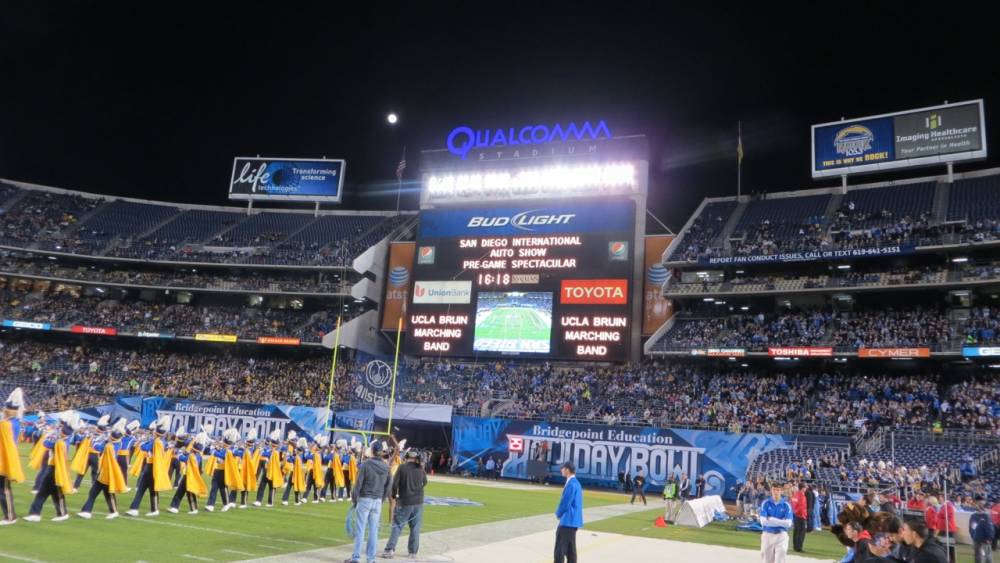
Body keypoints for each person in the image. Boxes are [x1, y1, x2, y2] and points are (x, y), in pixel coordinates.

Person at [347, 440, 391, 563]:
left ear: (372, 451)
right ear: (381, 452)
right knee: (373, 531)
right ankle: (371, 559)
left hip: (365, 499)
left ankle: (356, 558)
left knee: (360, 530)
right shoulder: (386, 467)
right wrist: (381, 499)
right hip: (377, 500)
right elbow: (388, 486)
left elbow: (358, 483)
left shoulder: (366, 464)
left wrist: (355, 500)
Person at [383, 449, 427, 559]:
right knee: (415, 528)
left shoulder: (402, 467)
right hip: (418, 502)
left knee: (397, 526)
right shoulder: (420, 468)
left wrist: (394, 495)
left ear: (407, 457)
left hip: (404, 501)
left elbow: (394, 484)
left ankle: (389, 550)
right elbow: (425, 482)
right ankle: (413, 552)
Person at [0, 388, 25, 525]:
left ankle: (10, 516)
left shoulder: (7, 424)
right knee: (4, 489)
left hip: (4, 460)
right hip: (4, 458)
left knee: (4, 489)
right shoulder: (13, 422)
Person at [554, 461, 583, 563]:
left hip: (567, 520)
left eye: (562, 468)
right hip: (574, 521)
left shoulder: (571, 484)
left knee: (559, 550)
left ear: (567, 470)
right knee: (571, 550)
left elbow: (565, 502)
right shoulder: (577, 483)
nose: (561, 470)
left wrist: (558, 513)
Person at [759, 481, 793, 563]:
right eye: (774, 490)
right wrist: (781, 522)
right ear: (771, 490)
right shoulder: (765, 503)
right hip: (767, 535)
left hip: (781, 535)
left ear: (781, 491)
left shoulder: (786, 505)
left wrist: (771, 519)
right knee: (767, 560)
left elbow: (788, 523)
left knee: (780, 560)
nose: (776, 492)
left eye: (778, 490)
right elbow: (763, 522)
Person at [971, 497, 996, 563]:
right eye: (976, 504)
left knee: (986, 557)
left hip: (984, 540)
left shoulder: (986, 515)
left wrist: (989, 538)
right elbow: (971, 528)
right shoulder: (973, 516)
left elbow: (989, 528)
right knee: (978, 557)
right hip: (977, 540)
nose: (977, 505)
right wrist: (973, 536)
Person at [791, 482, 808, 552]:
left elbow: (793, 503)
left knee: (796, 531)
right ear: (803, 488)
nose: (806, 488)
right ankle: (799, 547)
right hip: (800, 516)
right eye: (805, 487)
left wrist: (795, 512)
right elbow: (801, 506)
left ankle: (795, 546)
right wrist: (803, 514)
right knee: (801, 532)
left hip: (796, 515)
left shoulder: (795, 494)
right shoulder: (801, 495)